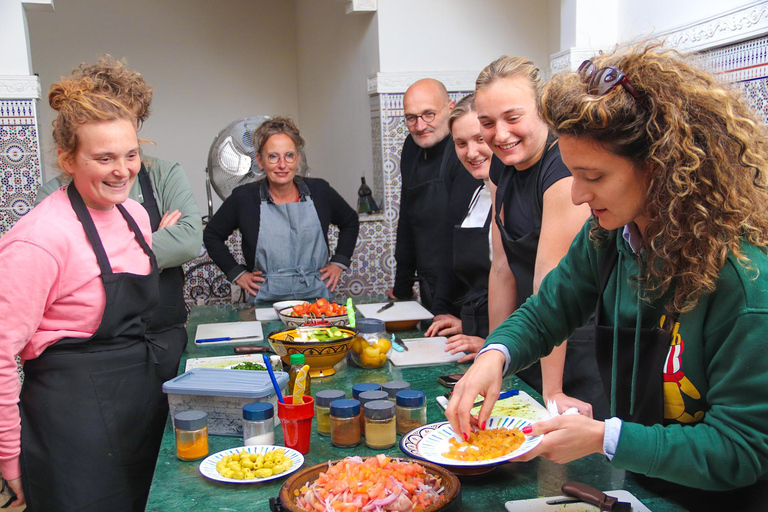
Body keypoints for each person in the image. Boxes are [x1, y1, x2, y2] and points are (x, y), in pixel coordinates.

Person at [446, 43, 768, 508]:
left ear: (661, 169)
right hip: (647, 484)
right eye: (573, 173)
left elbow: (743, 449)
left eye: (593, 177)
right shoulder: (610, 236)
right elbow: (547, 310)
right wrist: (494, 356)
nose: (577, 195)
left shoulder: (744, 280)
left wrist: (606, 438)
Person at [0, 69, 165, 510]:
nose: (122, 170)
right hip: (72, 430)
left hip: (140, 410)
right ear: (67, 160)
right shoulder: (39, 239)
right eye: (104, 158)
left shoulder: (135, 215)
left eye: (131, 155)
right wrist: (10, 455)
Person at [35, 55, 202, 383]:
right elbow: (63, 270)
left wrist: (100, 256)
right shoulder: (51, 197)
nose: (121, 169)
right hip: (87, 357)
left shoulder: (163, 173)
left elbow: (189, 240)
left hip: (163, 334)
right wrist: (151, 243)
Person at [472, 56, 608, 417]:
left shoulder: (562, 172)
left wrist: (554, 391)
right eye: (487, 123)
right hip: (531, 334)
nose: (500, 135)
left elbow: (551, 284)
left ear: (542, 111)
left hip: (573, 346)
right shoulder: (501, 163)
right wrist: (494, 357)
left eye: (513, 118)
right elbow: (501, 267)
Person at [203, 117, 359, 302]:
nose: (282, 165)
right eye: (273, 156)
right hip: (265, 300)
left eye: (289, 155)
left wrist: (339, 261)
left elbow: (350, 221)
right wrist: (236, 273)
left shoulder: (320, 191)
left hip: (317, 299)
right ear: (260, 161)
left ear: (298, 159)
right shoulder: (244, 198)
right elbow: (211, 234)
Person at [388, 79, 481, 310]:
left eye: (428, 114)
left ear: (450, 108)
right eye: (411, 118)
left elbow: (457, 232)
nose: (420, 126)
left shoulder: (463, 154)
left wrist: (442, 304)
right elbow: (407, 218)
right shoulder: (411, 147)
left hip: (464, 287)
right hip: (428, 280)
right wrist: (402, 287)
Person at [425, 94, 493, 360]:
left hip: (509, 343)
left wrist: (493, 340)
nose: (471, 152)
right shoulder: (477, 193)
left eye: (479, 139)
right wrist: (468, 326)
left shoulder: (519, 200)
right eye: (461, 143)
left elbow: (528, 289)